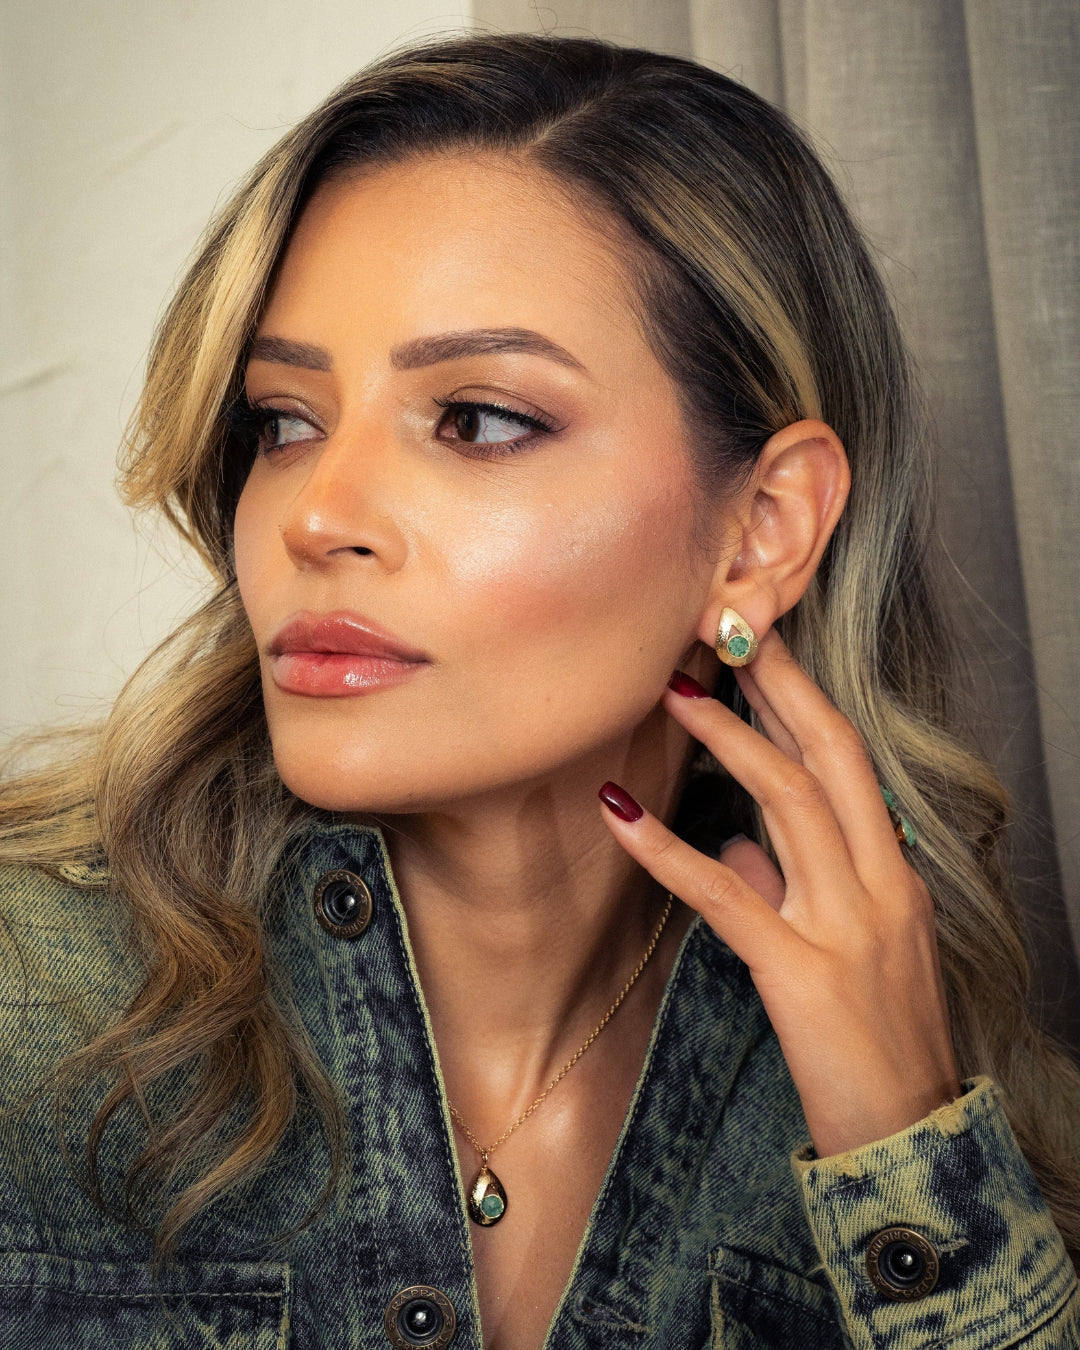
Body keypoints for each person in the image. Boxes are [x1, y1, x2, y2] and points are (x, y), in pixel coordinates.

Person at [0, 31, 1077, 1350]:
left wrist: (907, 1153)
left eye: (478, 420)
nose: (317, 516)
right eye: (284, 421)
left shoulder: (937, 1093)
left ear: (761, 531)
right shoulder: (30, 1003)